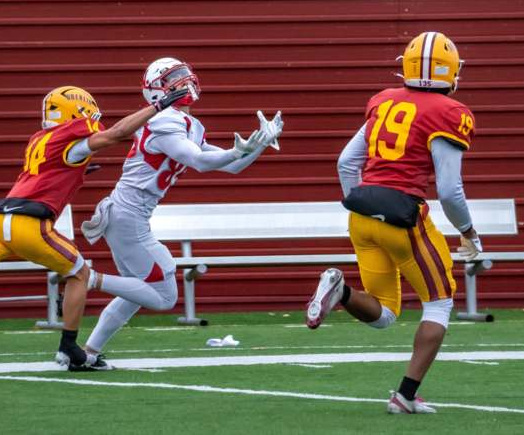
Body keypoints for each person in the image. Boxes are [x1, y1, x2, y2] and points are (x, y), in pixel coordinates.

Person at [0, 84, 190, 371]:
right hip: (29, 225)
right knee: (80, 275)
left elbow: (52, 170)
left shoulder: (39, 139)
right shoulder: (74, 144)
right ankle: (70, 348)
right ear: (77, 112)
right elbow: (115, 134)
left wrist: (78, 172)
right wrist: (157, 106)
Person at [305, 32, 482, 414]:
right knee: (439, 304)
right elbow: (450, 191)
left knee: (384, 315)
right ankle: (404, 397)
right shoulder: (450, 112)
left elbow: (346, 163)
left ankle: (341, 292)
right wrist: (468, 232)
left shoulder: (383, 100)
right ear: (450, 71)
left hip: (362, 216)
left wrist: (364, 204)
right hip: (403, 218)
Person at [79, 57, 284, 368]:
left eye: (185, 73)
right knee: (164, 295)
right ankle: (87, 278)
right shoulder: (165, 121)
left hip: (128, 215)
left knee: (138, 290)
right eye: (173, 77)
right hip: (128, 216)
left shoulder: (186, 123)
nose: (184, 80)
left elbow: (232, 166)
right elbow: (200, 161)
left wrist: (260, 144)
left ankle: (89, 352)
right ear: (156, 90)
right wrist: (239, 150)